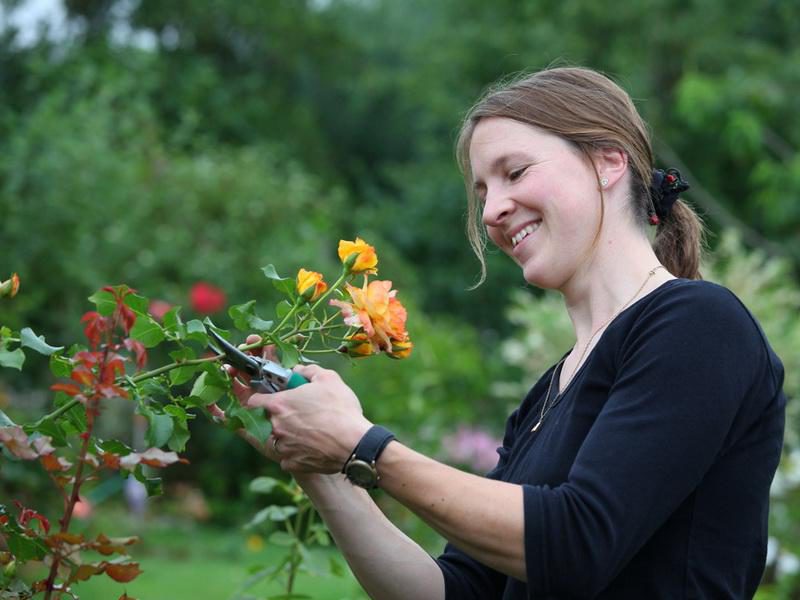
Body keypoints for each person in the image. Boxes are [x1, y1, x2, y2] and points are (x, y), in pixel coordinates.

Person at [232, 67, 786, 599]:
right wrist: (321, 467)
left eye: (515, 173)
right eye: (481, 192)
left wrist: (363, 444)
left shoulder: (698, 325)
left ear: (608, 162)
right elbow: (455, 593)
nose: (494, 209)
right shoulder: (548, 393)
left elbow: (578, 543)